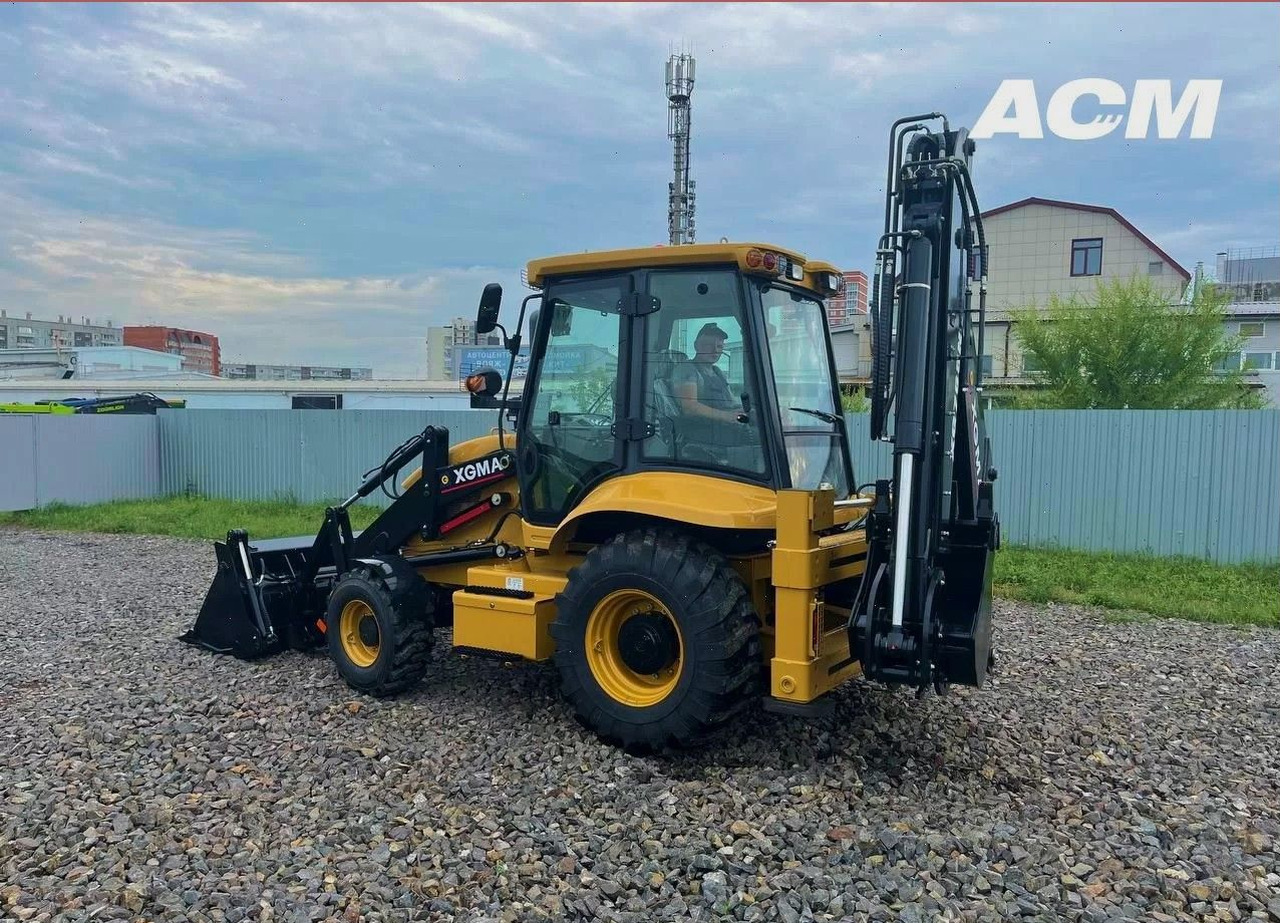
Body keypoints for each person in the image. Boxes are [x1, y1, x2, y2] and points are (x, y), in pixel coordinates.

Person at [672, 323, 744, 425]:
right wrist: (727, 416)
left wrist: (745, 411)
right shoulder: (687, 369)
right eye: (709, 345)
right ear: (696, 345)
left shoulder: (718, 372)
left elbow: (731, 402)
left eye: (719, 346)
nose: (715, 350)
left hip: (726, 426)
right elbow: (690, 407)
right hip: (704, 431)